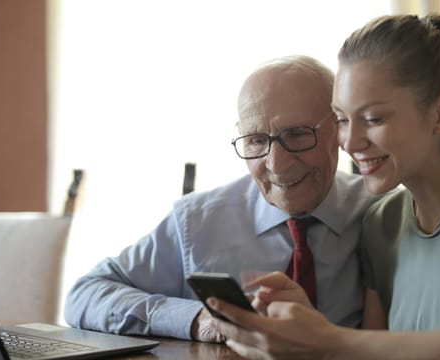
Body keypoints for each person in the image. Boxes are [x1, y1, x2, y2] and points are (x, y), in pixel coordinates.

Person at [209, 14, 440, 359]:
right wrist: (305, 330)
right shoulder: (381, 222)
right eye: (342, 119)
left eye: (373, 118)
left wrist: (329, 339)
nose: (350, 142)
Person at [63, 55, 379, 342]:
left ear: (340, 128)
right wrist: (196, 318)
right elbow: (85, 294)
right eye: (256, 140)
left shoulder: (383, 214)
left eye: (297, 135)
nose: (276, 164)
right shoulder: (197, 221)